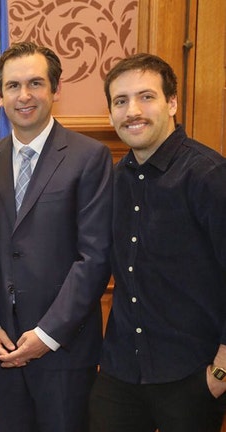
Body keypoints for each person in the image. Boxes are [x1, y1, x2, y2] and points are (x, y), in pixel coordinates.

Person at [0, 41, 113, 432]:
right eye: (13, 86)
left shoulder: (90, 157)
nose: (25, 95)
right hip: (1, 347)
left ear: (56, 89)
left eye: (36, 83)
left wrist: (47, 334)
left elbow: (95, 257)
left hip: (64, 350)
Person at [89, 53, 226, 432]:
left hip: (191, 377)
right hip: (120, 373)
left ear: (172, 103)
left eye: (146, 97)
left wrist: (220, 372)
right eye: (120, 101)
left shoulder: (208, 176)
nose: (133, 111)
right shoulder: (116, 178)